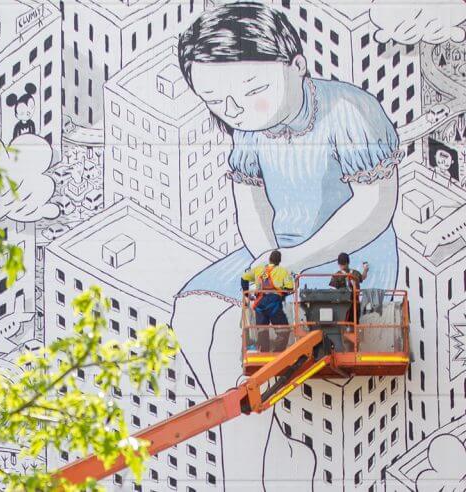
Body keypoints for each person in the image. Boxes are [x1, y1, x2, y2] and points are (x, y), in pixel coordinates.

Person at [169, 2, 401, 483]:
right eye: (215, 101)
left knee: (234, 361)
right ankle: (279, 457)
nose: (234, 111)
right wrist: (271, 261)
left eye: (252, 91)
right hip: (281, 255)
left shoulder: (350, 111)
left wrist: (294, 261)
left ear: (297, 66)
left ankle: (246, 478)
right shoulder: (249, 131)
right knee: (190, 314)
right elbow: (251, 204)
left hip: (349, 256)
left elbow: (374, 208)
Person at [241, 250, 294, 352]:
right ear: (279, 261)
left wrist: (247, 294)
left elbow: (244, 278)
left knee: (262, 329)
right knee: (283, 330)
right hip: (273, 301)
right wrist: (282, 294)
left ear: (269, 259)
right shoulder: (282, 271)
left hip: (259, 302)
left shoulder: (259, 269)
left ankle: (264, 351)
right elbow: (290, 288)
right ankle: (278, 352)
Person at [329, 252, 369, 324]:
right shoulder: (355, 273)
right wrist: (365, 269)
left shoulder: (336, 276)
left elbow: (332, 291)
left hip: (342, 306)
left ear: (338, 264)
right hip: (355, 305)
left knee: (343, 325)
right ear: (348, 262)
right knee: (354, 325)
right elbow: (363, 277)